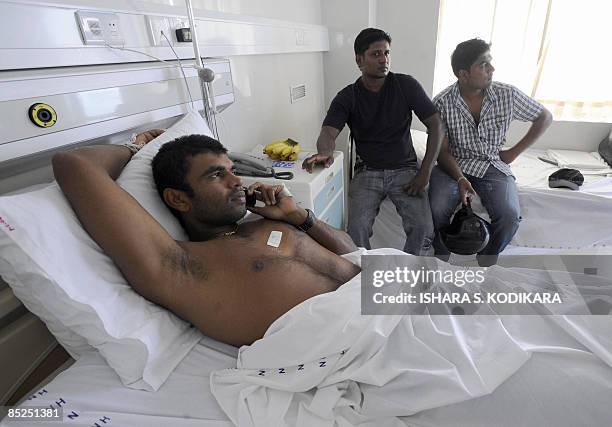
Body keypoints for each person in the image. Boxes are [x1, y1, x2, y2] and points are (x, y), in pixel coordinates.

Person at [52, 131, 360, 348]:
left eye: (232, 170)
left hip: (387, 293)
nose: (237, 181)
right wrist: (138, 147)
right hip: (351, 338)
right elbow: (73, 165)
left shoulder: (266, 222)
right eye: (216, 176)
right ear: (179, 199)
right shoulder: (179, 263)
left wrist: (299, 218)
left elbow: (353, 252)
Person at [302, 28, 443, 256]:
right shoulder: (348, 96)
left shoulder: (406, 86)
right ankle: (364, 279)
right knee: (355, 229)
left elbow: (436, 125)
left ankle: (410, 277)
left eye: (386, 53)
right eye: (376, 54)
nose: (384, 60)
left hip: (405, 169)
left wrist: (425, 171)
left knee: (423, 228)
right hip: (367, 171)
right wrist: (325, 152)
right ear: (359, 60)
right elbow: (328, 132)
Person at [429, 38, 552, 266]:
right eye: (483, 65)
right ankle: (439, 261)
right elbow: (442, 151)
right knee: (435, 209)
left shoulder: (508, 95)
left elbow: (545, 117)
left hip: (492, 165)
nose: (491, 70)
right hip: (454, 166)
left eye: (490, 63)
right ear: (463, 74)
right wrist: (460, 178)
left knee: (509, 216)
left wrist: (513, 153)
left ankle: (487, 260)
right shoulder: (442, 103)